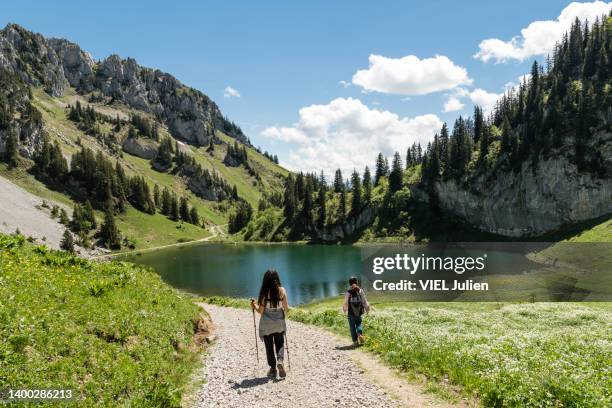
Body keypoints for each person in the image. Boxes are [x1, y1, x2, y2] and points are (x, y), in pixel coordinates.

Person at [251, 269, 289, 378]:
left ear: (265, 280)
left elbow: (260, 311)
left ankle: (272, 369)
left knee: (269, 346)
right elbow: (286, 308)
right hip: (279, 323)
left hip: (266, 324)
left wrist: (254, 305)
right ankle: (280, 361)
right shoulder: (282, 291)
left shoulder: (264, 294)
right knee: (280, 343)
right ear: (277, 279)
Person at [342, 276, 370, 346]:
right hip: (359, 311)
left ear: (349, 283)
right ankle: (360, 334)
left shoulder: (348, 292)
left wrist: (345, 311)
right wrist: (367, 310)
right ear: (357, 282)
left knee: (352, 326)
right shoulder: (360, 290)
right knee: (359, 323)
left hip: (351, 312)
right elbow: (364, 301)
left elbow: (345, 303)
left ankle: (355, 342)